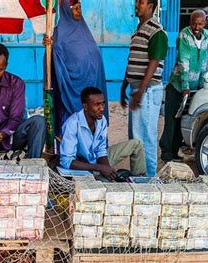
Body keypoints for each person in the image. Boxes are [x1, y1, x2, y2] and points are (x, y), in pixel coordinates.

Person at [42, 0, 108, 139]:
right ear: (66, 9)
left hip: (91, 92)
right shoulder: (58, 35)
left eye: (80, 8)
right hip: (69, 94)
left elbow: (95, 59)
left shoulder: (84, 30)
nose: (79, 11)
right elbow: (52, 64)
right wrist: (50, 48)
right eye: (75, 8)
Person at [120, 0, 167, 177]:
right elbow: (132, 59)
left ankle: (149, 177)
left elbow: (154, 62)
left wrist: (141, 91)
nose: (137, 4)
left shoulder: (156, 31)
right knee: (135, 135)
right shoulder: (138, 30)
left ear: (151, 6)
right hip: (137, 89)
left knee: (146, 136)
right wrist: (124, 85)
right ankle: (139, 174)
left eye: (141, 2)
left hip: (147, 91)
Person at [59, 87, 146, 180]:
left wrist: (108, 170)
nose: (102, 108)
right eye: (97, 105)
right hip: (83, 168)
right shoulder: (72, 124)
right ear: (85, 106)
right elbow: (66, 161)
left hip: (97, 163)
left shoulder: (101, 120)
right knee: (108, 187)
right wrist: (99, 168)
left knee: (136, 144)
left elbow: (100, 150)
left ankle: (140, 181)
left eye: (103, 103)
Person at [159, 10, 208, 163]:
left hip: (193, 87)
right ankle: (166, 154)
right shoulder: (184, 35)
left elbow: (204, 62)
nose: (196, 26)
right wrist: (185, 87)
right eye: (193, 23)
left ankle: (175, 152)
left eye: (200, 24)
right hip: (178, 86)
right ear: (189, 23)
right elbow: (183, 62)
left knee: (183, 121)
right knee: (171, 121)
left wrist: (203, 84)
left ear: (205, 23)